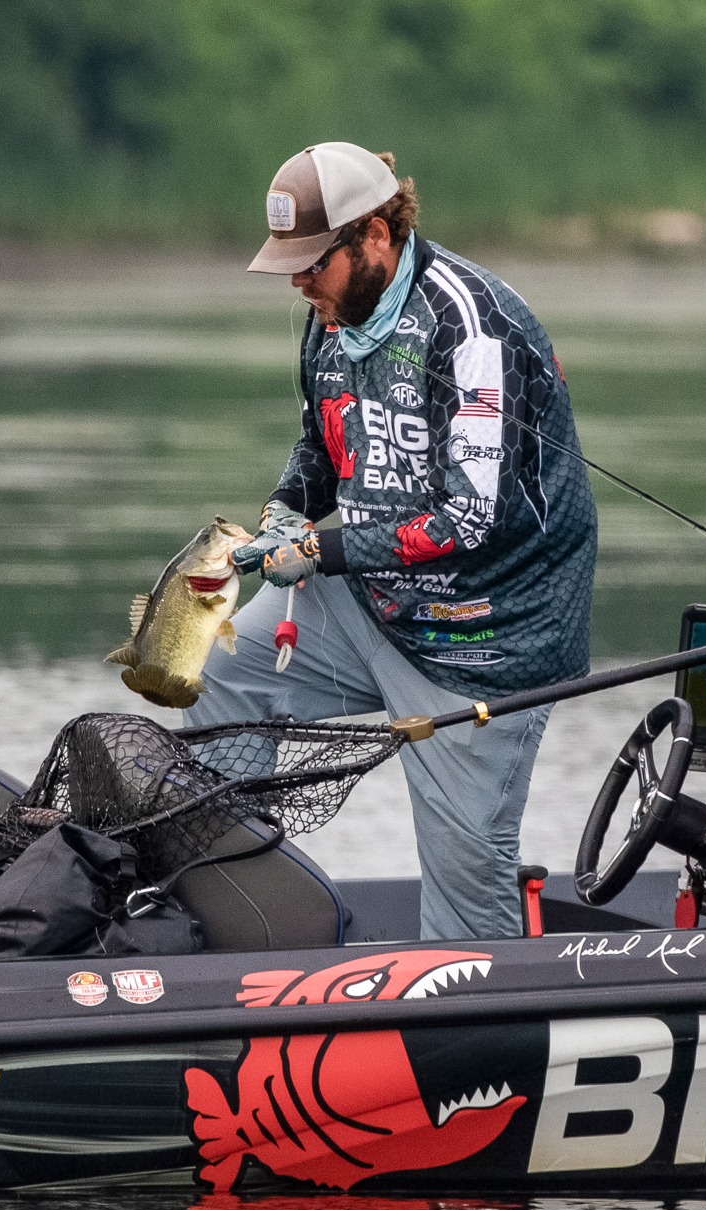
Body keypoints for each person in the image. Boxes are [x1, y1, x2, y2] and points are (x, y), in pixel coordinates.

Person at [188, 143, 597, 940]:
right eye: (291, 268)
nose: (301, 284)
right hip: (374, 604)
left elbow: (467, 521)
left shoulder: (470, 327)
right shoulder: (328, 320)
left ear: (375, 235)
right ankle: (241, 916)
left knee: (466, 904)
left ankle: (475, 1044)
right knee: (219, 668)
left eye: (314, 264)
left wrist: (321, 552)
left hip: (489, 636)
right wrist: (283, 508)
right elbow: (322, 442)